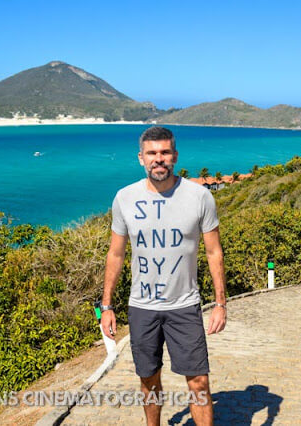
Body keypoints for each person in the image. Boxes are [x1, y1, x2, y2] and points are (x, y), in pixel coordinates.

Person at [100, 126, 227, 425]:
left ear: (175, 155)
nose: (159, 159)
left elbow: (214, 253)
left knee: (198, 383)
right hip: (142, 307)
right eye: (152, 153)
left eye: (165, 152)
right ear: (141, 158)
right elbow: (115, 254)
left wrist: (220, 303)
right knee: (149, 382)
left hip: (184, 306)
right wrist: (107, 306)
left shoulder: (199, 197)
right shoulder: (124, 198)